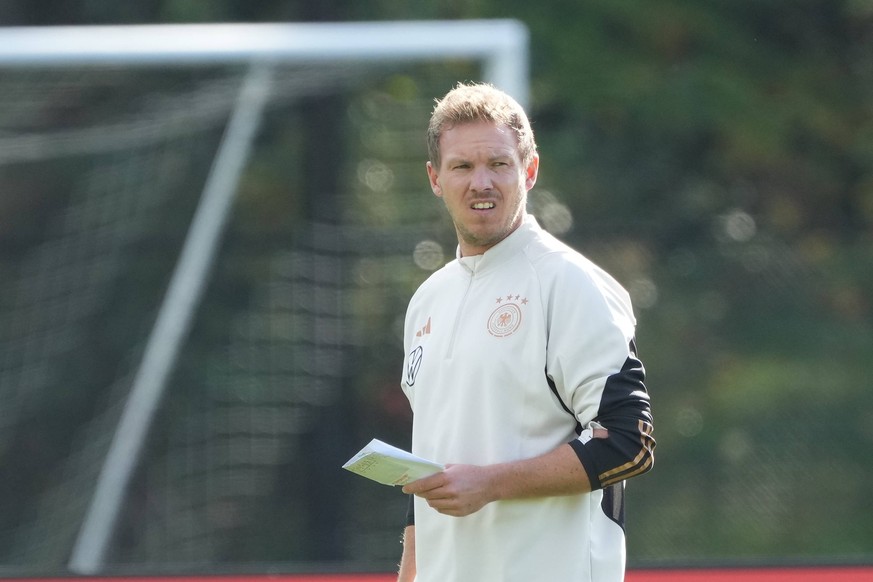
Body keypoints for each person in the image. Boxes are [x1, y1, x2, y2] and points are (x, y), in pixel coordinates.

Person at [396, 82, 655, 582]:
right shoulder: (427, 301)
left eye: (498, 164)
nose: (481, 183)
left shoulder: (571, 284)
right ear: (434, 178)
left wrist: (491, 484)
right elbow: (431, 477)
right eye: (462, 167)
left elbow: (630, 441)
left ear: (529, 170)